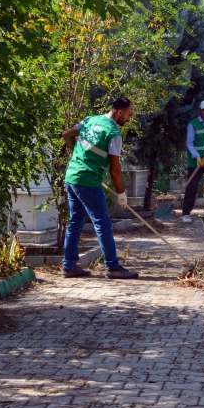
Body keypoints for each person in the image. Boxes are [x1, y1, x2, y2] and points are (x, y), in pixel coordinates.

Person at [60, 97, 140, 279]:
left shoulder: (90, 119)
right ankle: (113, 267)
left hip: (72, 177)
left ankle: (69, 266)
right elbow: (115, 168)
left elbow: (66, 134)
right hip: (88, 181)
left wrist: (79, 158)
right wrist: (121, 194)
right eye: (129, 115)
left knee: (75, 222)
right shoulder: (113, 133)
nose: (129, 119)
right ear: (120, 112)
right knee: (102, 223)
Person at [182, 100, 204, 224]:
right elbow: (189, 143)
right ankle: (186, 213)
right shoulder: (193, 124)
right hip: (195, 162)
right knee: (192, 187)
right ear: (199, 111)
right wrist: (197, 156)